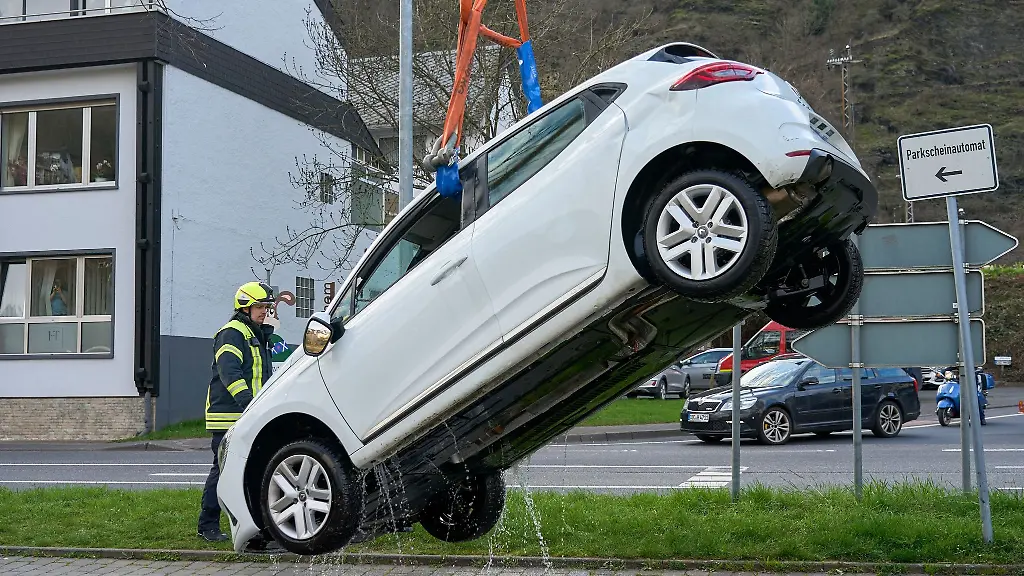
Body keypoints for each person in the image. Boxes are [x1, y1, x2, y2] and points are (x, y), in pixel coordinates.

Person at [197, 281, 276, 543]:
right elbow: (229, 373)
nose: (264, 311)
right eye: (260, 307)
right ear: (245, 307)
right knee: (223, 471)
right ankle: (207, 524)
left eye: (266, 307)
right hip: (230, 416)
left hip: (248, 415)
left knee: (254, 472)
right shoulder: (232, 333)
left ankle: (256, 527)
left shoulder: (255, 334)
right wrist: (250, 404)